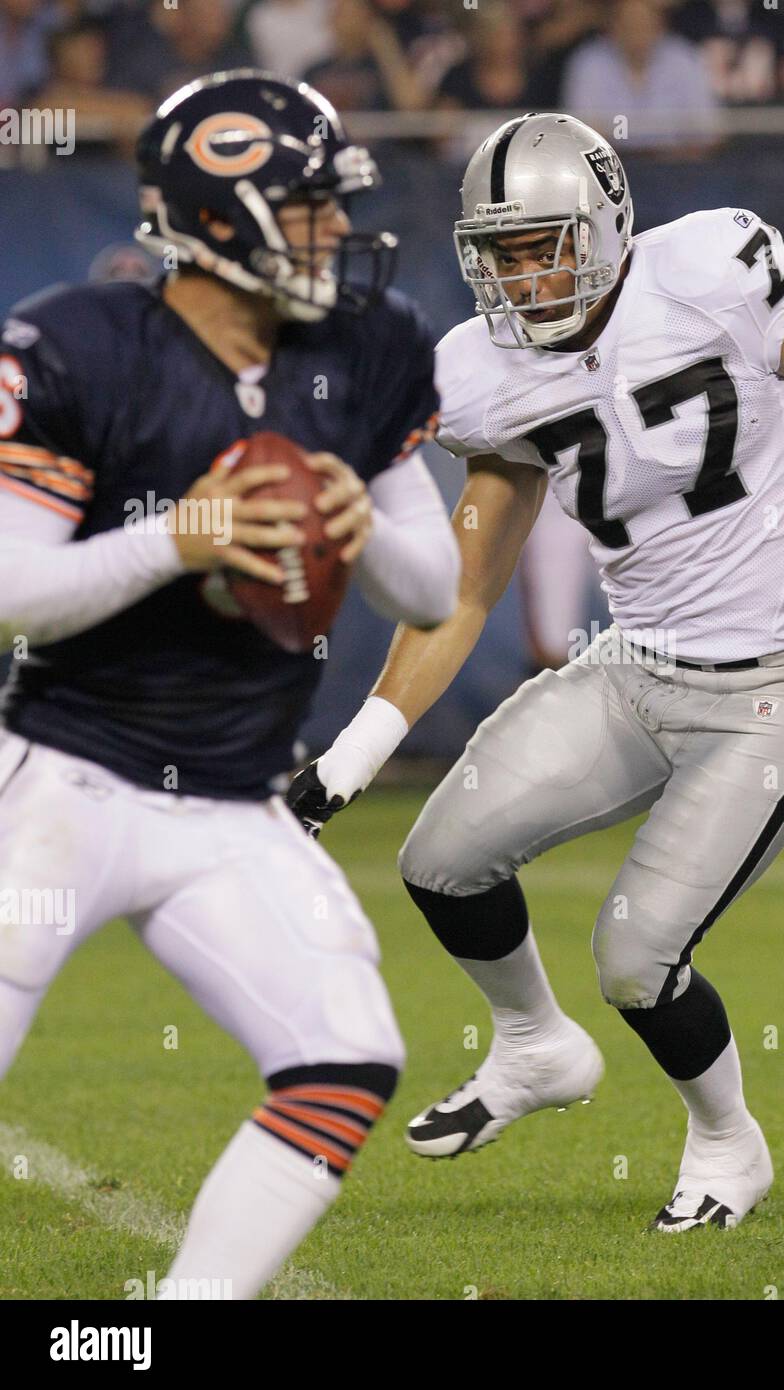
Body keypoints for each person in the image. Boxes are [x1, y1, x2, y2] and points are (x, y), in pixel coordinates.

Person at [288, 110, 784, 1231]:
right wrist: (350, 756)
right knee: (440, 861)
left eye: (542, 240)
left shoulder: (709, 271)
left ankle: (726, 1142)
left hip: (774, 684)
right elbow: (464, 586)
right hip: (630, 668)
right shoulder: (480, 368)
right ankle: (532, 1046)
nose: (523, 271)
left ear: (608, 222)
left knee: (634, 955)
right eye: (499, 250)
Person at [0, 70, 460, 1296]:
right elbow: (10, 592)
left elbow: (429, 588)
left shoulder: (369, 346)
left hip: (228, 801)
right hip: (65, 781)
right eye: (307, 207)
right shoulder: (80, 343)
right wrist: (179, 538)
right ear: (218, 219)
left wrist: (365, 523)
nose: (334, 234)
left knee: (345, 1058)